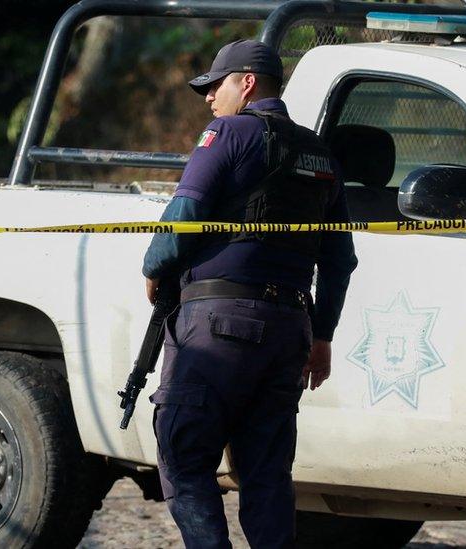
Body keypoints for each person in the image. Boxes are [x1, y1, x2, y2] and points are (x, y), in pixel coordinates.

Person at [143, 40, 358, 548]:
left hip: (217, 325)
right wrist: (321, 336)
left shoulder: (228, 132)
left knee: (185, 459)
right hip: (290, 334)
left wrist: (155, 265)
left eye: (215, 85)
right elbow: (339, 259)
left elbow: (185, 214)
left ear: (247, 82)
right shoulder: (321, 154)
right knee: (266, 474)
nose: (208, 98)